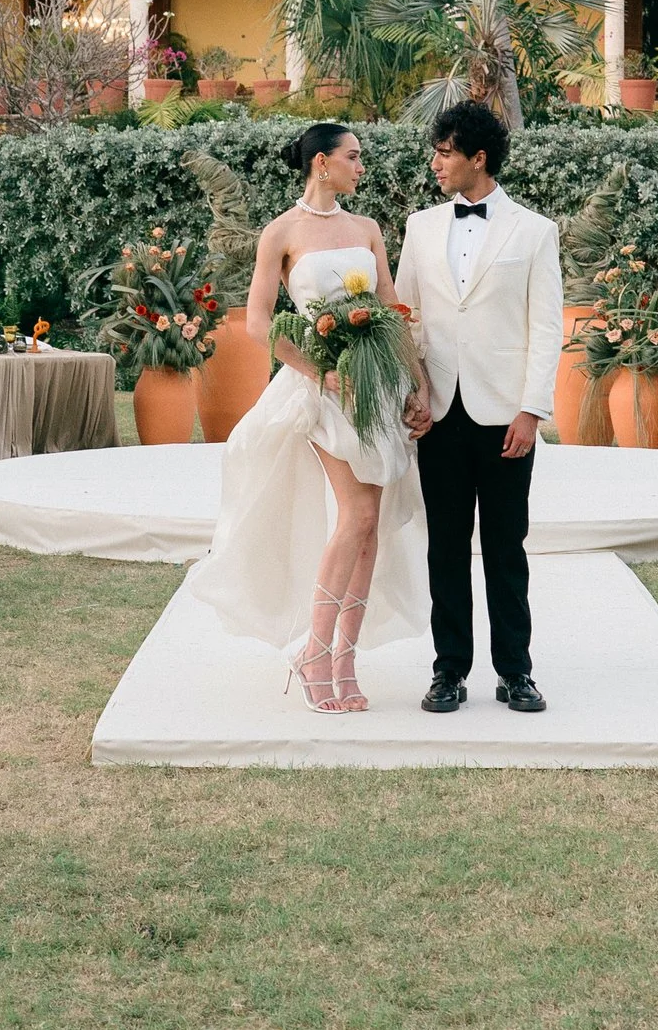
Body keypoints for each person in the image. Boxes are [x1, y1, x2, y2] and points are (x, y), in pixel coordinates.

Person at [184, 123, 431, 712]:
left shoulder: (367, 229)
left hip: (378, 387)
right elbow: (260, 321)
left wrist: (416, 381)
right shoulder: (281, 232)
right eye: (353, 157)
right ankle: (314, 652)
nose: (361, 166)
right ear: (322, 163)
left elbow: (393, 309)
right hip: (319, 391)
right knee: (358, 513)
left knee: (371, 525)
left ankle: (344, 661)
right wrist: (323, 374)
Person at [394, 99, 562, 714]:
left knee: (504, 547)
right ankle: (448, 671)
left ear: (478, 158)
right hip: (437, 412)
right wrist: (413, 394)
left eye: (445, 152)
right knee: (445, 547)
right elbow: (404, 320)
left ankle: (516, 672)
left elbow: (546, 329)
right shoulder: (419, 227)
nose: (435, 162)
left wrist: (531, 410)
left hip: (505, 417)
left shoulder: (536, 232)